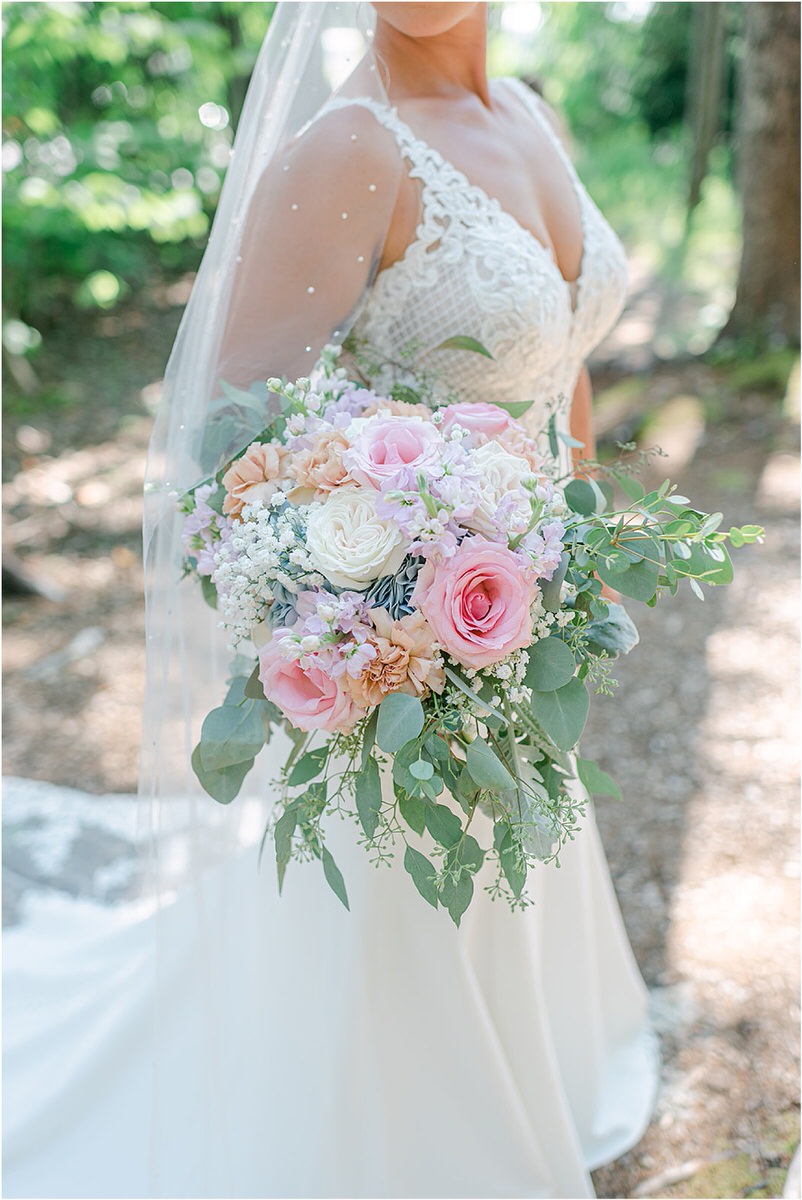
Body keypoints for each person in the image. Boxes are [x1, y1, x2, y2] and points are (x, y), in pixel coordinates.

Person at [4, 4, 658, 1197]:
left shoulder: (530, 116)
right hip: (414, 636)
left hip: (528, 612)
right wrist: (388, 596)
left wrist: (580, 547)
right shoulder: (350, 148)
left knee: (520, 863)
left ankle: (525, 1079)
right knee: (406, 907)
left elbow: (562, 369)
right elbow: (225, 430)